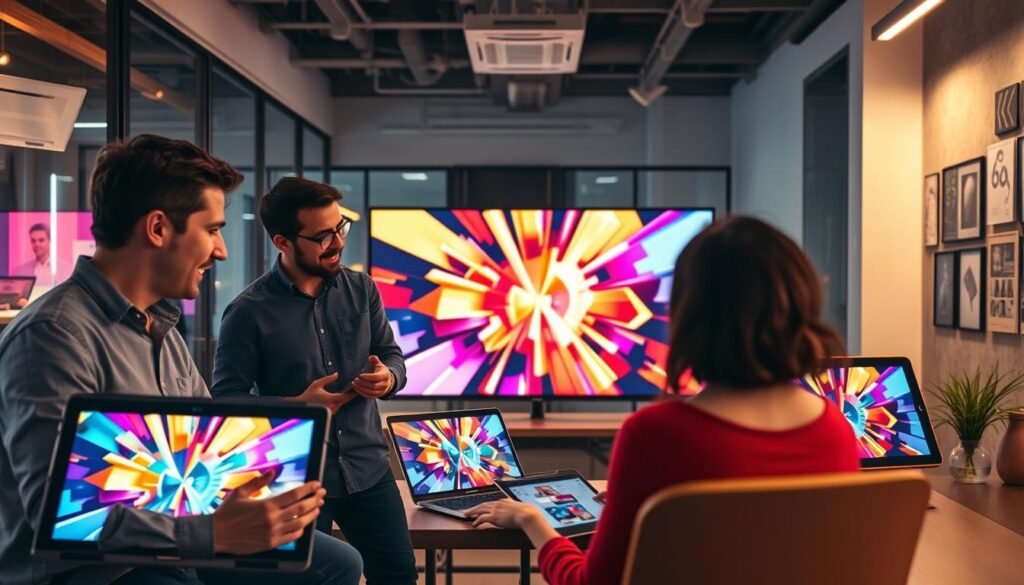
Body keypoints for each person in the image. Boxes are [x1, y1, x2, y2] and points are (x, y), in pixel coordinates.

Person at [0, 135, 362, 585]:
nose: (221, 251)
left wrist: (265, 493)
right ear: (157, 228)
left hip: (179, 538)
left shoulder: (161, 330)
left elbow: (203, 450)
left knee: (337, 563)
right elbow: (56, 517)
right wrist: (211, 533)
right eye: (211, 229)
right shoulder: (54, 336)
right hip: (100, 570)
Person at [465, 215, 860, 585]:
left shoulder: (655, 434)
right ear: (801, 303)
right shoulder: (835, 430)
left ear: (690, 314)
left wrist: (533, 519)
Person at [211, 177, 417, 585]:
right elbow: (226, 403)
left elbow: (392, 356)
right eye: (322, 236)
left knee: (398, 577)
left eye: (340, 228)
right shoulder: (247, 312)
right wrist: (295, 407)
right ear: (283, 242)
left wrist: (387, 378)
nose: (337, 243)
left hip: (368, 470)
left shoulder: (362, 289)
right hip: (296, 481)